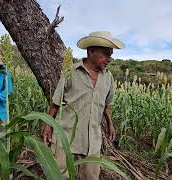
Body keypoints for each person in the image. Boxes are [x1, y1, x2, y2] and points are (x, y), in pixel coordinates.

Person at [43, 31, 124, 180]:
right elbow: (55, 102)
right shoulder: (71, 71)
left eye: (111, 55)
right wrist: (48, 126)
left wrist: (110, 124)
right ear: (91, 51)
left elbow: (105, 105)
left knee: (90, 177)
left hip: (92, 138)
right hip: (65, 134)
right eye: (106, 54)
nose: (109, 59)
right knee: (59, 175)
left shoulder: (108, 77)